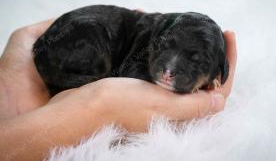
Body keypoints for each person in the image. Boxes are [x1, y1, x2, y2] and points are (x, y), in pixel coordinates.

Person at [0, 19, 237, 161]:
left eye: (196, 60)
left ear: (219, 70)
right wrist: (96, 108)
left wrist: (8, 90)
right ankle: (64, 84)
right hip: (78, 44)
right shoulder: (140, 45)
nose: (168, 70)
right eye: (165, 48)